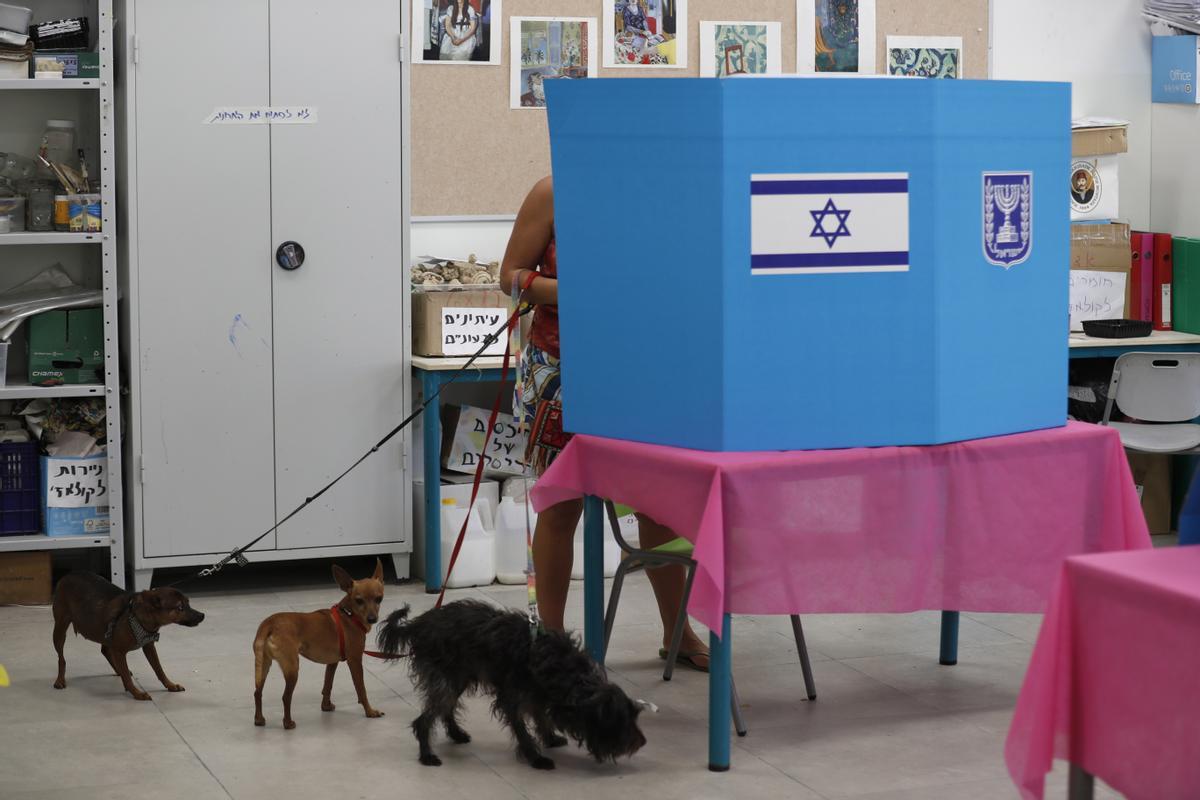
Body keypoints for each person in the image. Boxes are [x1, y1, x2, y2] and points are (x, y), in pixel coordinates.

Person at [499, 177, 710, 672]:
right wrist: (576, 291)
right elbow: (509, 276)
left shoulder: (662, 191)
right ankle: (549, 644)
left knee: (657, 505)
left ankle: (677, 631)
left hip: (641, 368)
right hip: (561, 370)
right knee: (561, 508)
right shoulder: (554, 191)